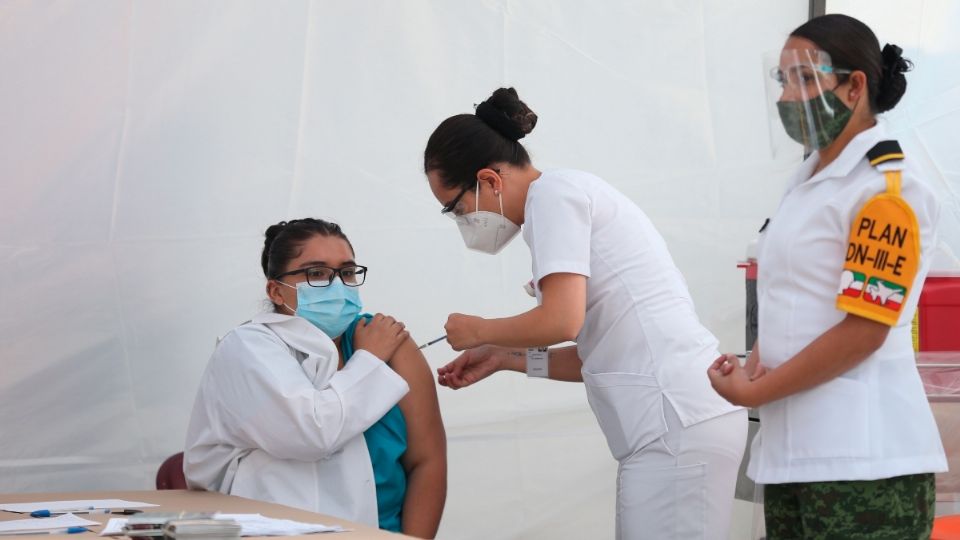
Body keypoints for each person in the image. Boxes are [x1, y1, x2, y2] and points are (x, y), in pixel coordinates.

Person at [422, 87, 747, 539]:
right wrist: (504, 357)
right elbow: (597, 352)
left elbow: (561, 322)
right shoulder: (563, 198)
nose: (463, 221)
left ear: (490, 181)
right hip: (673, 423)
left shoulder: (554, 197)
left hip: (676, 423)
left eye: (457, 207)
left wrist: (477, 330)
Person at [707, 14, 947, 539]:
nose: (790, 96)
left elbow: (865, 329)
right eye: (783, 79)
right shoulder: (806, 184)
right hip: (795, 459)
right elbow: (795, 305)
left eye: (806, 78)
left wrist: (756, 393)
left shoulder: (888, 192)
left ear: (854, 85)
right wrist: (752, 368)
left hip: (865, 466)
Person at [184, 218, 446, 539]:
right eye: (316, 273)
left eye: (347, 272)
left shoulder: (389, 340)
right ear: (276, 290)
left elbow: (427, 462)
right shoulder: (247, 347)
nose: (337, 285)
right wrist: (370, 360)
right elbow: (311, 433)